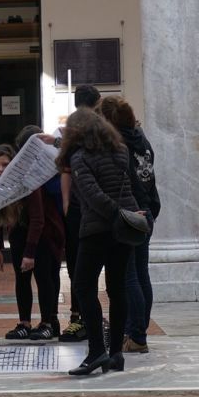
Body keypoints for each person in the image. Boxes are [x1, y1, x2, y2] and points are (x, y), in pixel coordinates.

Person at [56, 108, 141, 375]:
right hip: (125, 230)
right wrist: (124, 215)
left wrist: (114, 213)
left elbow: (92, 195)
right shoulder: (121, 151)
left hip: (97, 229)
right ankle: (115, 352)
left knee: (83, 287)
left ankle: (96, 352)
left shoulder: (81, 157)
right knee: (117, 289)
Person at [97, 96, 160, 354]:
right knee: (141, 274)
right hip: (147, 212)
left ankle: (136, 335)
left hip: (130, 213)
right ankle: (139, 331)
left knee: (129, 276)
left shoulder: (117, 144)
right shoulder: (140, 139)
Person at [40, 83, 101, 343]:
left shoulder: (78, 134)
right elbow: (66, 167)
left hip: (84, 209)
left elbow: (67, 165)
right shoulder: (102, 134)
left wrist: (66, 203)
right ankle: (83, 319)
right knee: (83, 267)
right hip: (84, 209)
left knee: (82, 267)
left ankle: (85, 319)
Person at [0, 144, 64, 340]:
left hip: (42, 234)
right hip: (18, 233)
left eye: (5, 164)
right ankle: (24, 323)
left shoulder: (28, 181)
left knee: (43, 277)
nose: (1, 169)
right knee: (22, 279)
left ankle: (47, 322)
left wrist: (30, 253)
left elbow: (38, 219)